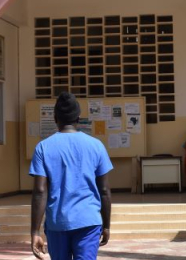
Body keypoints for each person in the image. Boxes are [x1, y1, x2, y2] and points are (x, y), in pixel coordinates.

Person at [30, 92, 113, 260]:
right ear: (78, 118)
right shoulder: (96, 146)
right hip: (89, 221)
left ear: (55, 118)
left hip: (57, 223)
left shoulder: (43, 148)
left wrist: (35, 232)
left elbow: (40, 191)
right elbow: (104, 190)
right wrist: (106, 226)